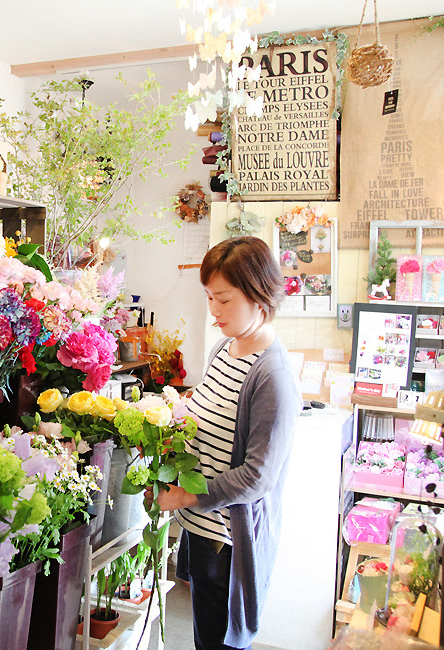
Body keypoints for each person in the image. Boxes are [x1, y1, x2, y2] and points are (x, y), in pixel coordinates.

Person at [147, 236, 301, 649]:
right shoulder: (223, 349)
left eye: (224, 299)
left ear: (259, 295)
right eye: (209, 298)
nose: (213, 310)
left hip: (228, 546)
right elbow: (204, 417)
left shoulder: (274, 378)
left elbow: (258, 477)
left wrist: (187, 497)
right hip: (201, 533)